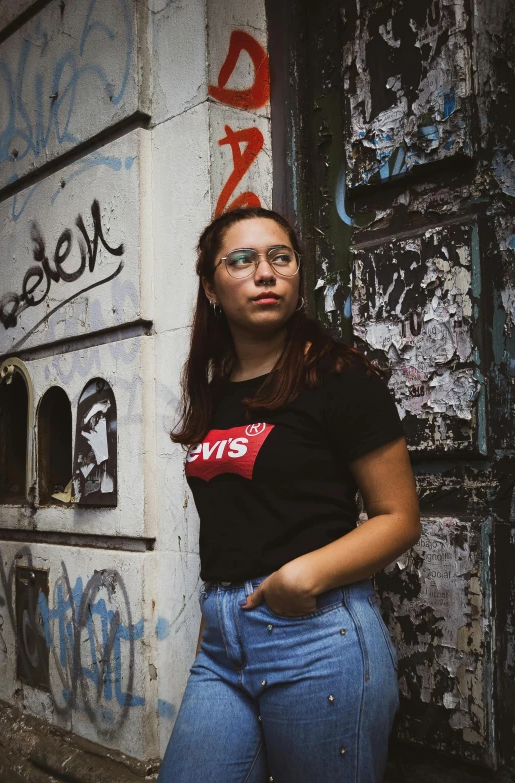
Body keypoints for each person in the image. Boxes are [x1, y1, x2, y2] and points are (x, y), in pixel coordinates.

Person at [157, 206, 420, 783]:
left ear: (298, 275)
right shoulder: (213, 395)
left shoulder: (339, 377)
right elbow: (233, 522)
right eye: (242, 260)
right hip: (223, 648)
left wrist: (305, 576)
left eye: (281, 257)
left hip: (318, 637)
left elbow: (399, 517)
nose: (266, 272)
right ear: (210, 286)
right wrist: (218, 614)